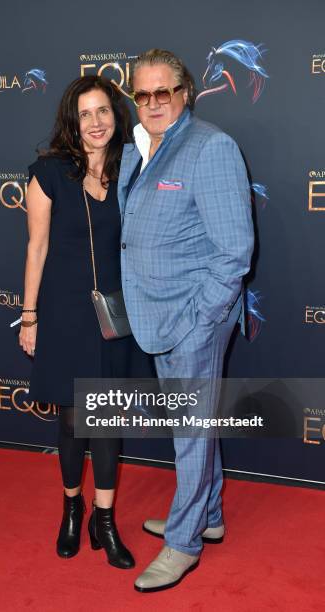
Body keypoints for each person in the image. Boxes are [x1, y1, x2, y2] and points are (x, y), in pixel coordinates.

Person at [118, 49, 254, 591]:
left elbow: (234, 252)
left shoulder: (211, 148)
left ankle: (183, 542)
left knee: (192, 432)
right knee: (189, 428)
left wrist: (201, 321)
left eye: (163, 92)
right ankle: (209, 514)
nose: (152, 102)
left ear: (185, 93)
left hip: (194, 316)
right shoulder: (137, 148)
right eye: (142, 94)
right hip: (156, 309)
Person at [19, 75, 155, 569]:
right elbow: (37, 248)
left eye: (103, 111)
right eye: (85, 114)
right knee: (75, 419)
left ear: (116, 116)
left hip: (116, 314)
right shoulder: (49, 172)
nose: (96, 122)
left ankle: (105, 519)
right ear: (71, 122)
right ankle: (71, 507)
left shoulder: (132, 169)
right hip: (65, 313)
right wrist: (29, 316)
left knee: (109, 417)